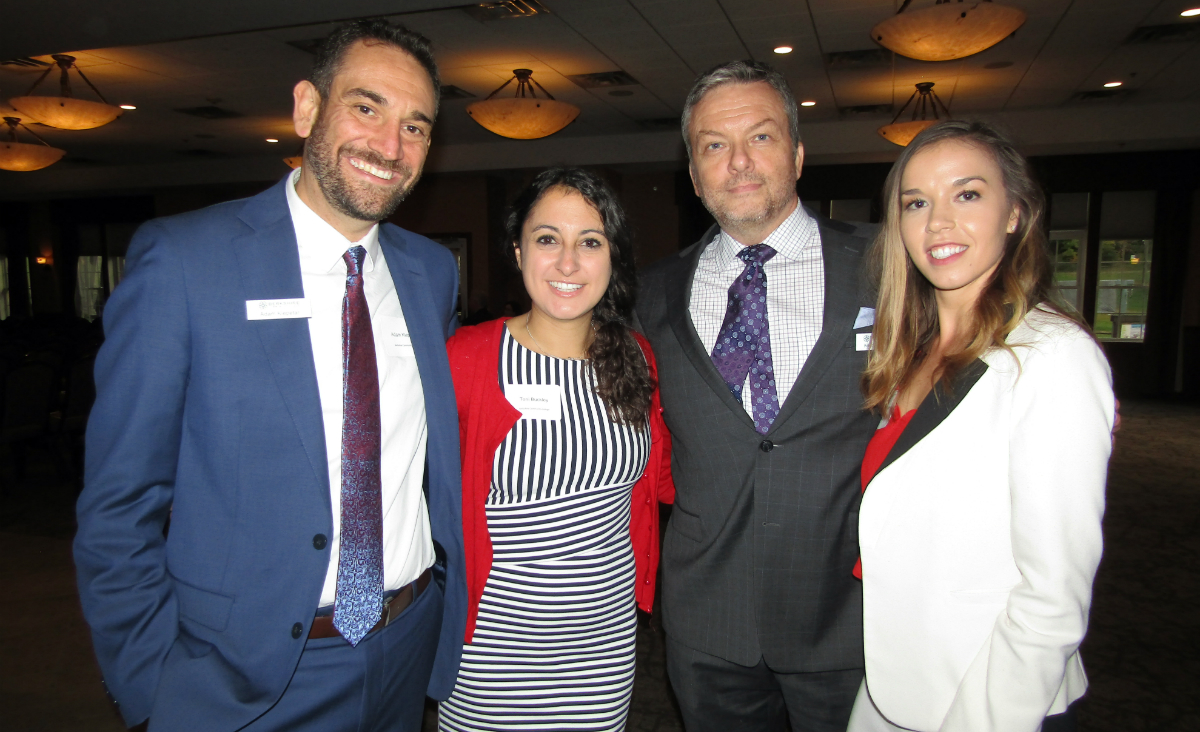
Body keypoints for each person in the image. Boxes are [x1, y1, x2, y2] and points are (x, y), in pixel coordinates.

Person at [73, 20, 467, 732]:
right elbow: (118, 504)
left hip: (406, 643)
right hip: (245, 675)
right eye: (367, 107)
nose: (390, 146)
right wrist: (152, 691)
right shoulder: (187, 262)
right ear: (308, 108)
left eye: (416, 126)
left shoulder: (430, 273)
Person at [634, 60, 879, 731]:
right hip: (708, 626)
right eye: (714, 145)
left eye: (761, 138)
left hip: (849, 619)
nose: (738, 162)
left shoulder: (888, 264)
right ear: (693, 172)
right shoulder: (651, 293)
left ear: (798, 154)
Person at [848, 120, 1112, 732]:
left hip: (989, 699)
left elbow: (1052, 600)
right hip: (900, 682)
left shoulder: (1051, 355)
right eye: (917, 202)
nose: (938, 222)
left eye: (967, 195)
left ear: (1015, 213)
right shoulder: (909, 351)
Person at [439, 167, 674, 731]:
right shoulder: (467, 359)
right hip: (495, 653)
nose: (568, 262)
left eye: (589, 242)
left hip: (604, 650)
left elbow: (658, 490)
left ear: (611, 258)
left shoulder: (638, 359)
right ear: (518, 253)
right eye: (548, 239)